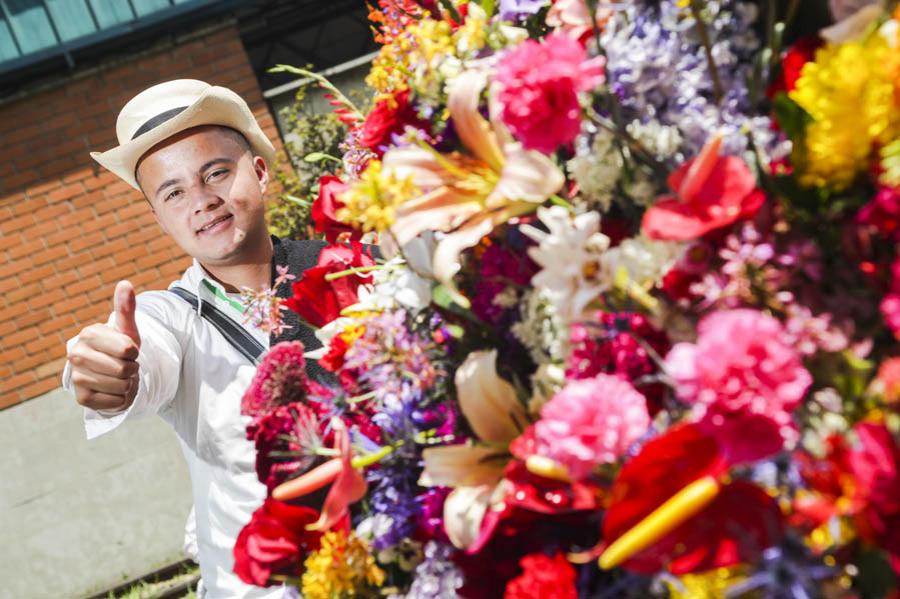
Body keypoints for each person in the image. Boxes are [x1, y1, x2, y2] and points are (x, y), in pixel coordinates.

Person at [62, 79, 328, 598]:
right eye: (174, 192)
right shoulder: (171, 318)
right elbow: (139, 356)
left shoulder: (341, 271)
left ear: (259, 171)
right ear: (158, 218)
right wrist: (105, 373)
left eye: (216, 173)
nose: (202, 201)